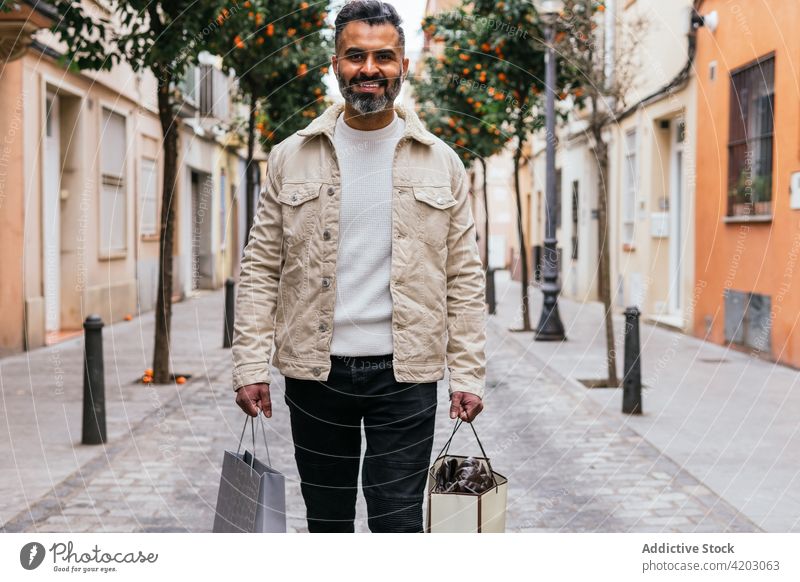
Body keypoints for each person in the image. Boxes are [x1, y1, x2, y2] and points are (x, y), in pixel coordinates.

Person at [231, 0, 486, 533]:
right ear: (335, 65)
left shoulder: (442, 161)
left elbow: (464, 276)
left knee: (398, 525)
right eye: (355, 56)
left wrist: (467, 373)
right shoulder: (290, 157)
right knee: (328, 524)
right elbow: (259, 270)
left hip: (404, 375)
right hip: (316, 374)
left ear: (403, 67)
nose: (369, 69)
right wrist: (251, 366)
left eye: (384, 57)